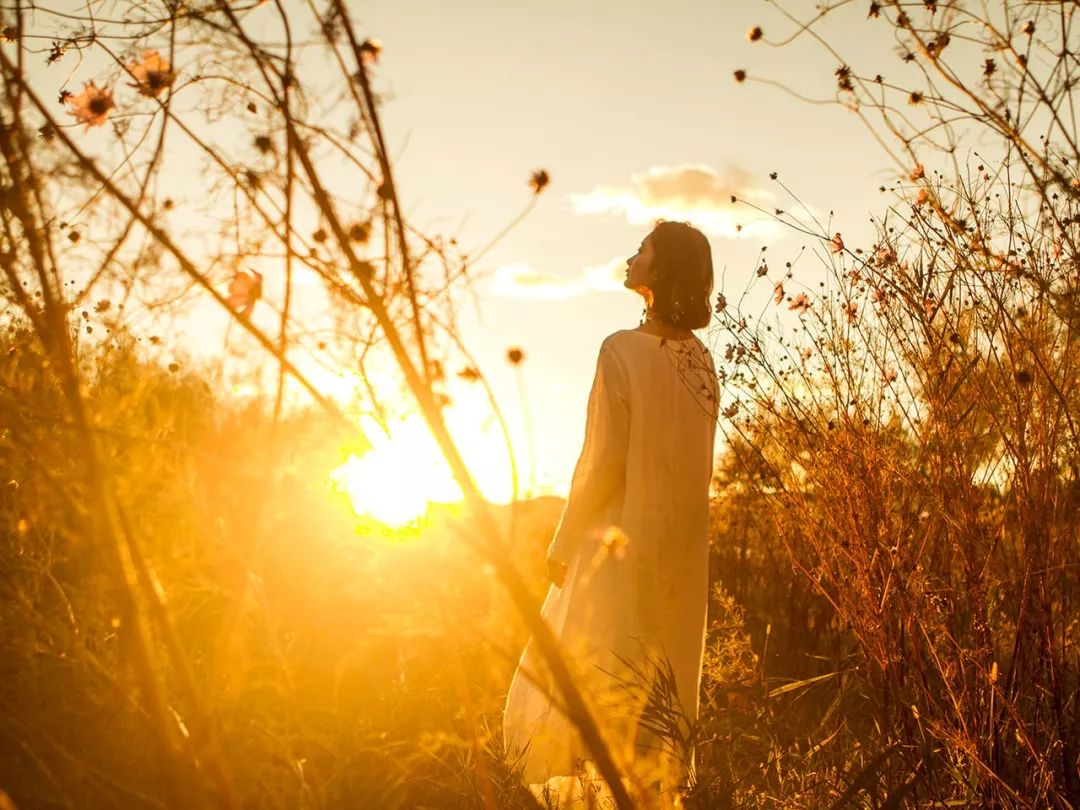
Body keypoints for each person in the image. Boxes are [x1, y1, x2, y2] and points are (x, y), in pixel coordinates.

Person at [502, 220, 720, 804]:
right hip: (678, 552)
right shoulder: (701, 362)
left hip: (616, 545)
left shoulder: (620, 348)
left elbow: (599, 464)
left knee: (590, 681)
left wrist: (562, 543)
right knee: (657, 685)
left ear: (662, 268)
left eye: (643, 249)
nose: (632, 257)